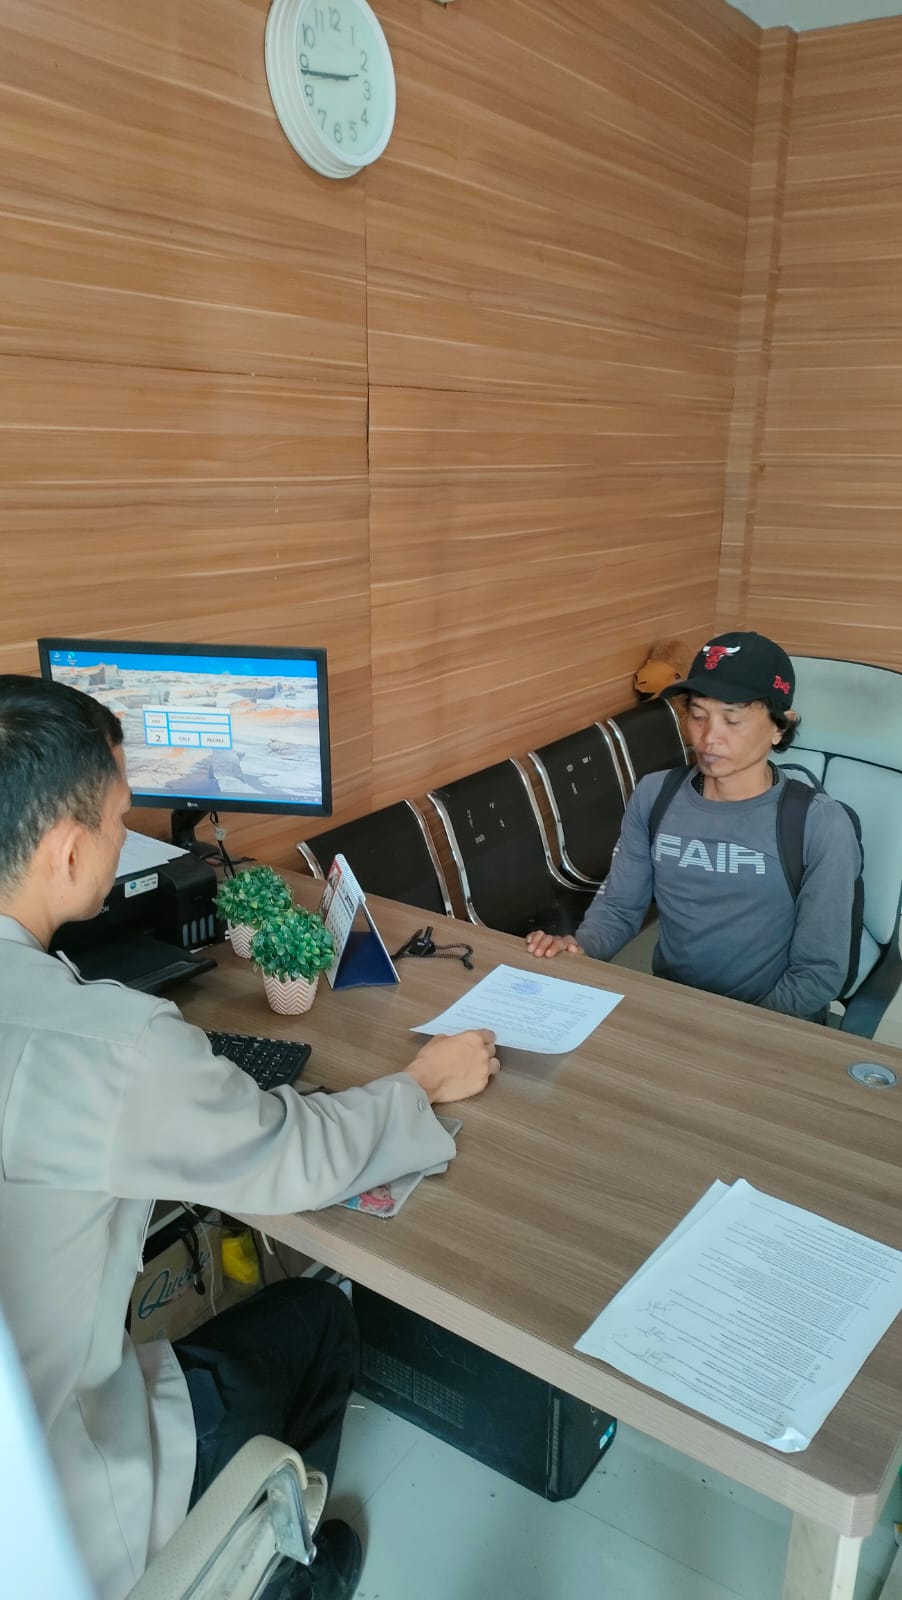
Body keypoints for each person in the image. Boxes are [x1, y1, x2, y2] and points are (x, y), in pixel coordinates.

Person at [0, 674, 500, 1600]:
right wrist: (422, 1083)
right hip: (59, 1510)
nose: (126, 837)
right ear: (67, 851)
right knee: (317, 1318)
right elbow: (289, 1160)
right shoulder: (110, 1046)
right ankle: (282, 1574)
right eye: (120, 820)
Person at [527, 631, 861, 1022]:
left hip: (771, 1023)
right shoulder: (655, 795)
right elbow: (619, 908)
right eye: (698, 716)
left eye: (732, 720)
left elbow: (818, 972)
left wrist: (737, 1032)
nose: (709, 737)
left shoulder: (819, 824)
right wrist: (578, 950)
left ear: (780, 727)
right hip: (673, 1011)